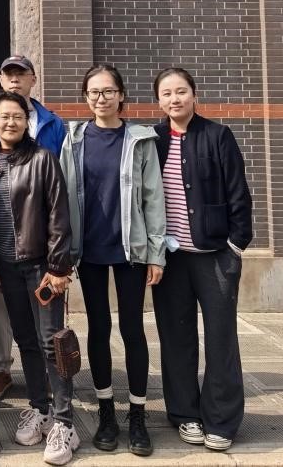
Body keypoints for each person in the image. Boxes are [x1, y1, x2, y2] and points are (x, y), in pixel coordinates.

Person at [59, 63, 166, 458]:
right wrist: (62, 252)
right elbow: (61, 195)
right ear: (86, 97)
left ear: (121, 95)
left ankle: (137, 416)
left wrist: (156, 252)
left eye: (108, 91)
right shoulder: (74, 138)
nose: (101, 98)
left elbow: (153, 198)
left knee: (132, 328)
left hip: (130, 249)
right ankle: (106, 413)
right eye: (93, 92)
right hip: (88, 249)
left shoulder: (140, 139)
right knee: (98, 327)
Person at [151, 67, 252, 452]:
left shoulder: (217, 135)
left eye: (181, 91)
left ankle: (222, 420)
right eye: (166, 93)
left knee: (221, 338)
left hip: (214, 256)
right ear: (158, 101)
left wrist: (236, 245)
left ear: (194, 95)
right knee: (176, 337)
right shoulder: (152, 140)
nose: (174, 99)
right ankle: (184, 414)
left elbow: (238, 193)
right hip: (170, 259)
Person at [0, 90, 79, 466]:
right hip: (6, 268)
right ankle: (40, 409)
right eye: (4, 116)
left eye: (18, 116)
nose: (11, 122)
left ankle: (65, 423)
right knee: (26, 341)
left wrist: (58, 268)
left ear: (27, 122)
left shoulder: (42, 159)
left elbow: (59, 215)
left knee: (52, 344)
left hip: (42, 268)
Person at [0, 55, 65, 401]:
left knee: (50, 333)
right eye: (8, 75)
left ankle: (59, 405)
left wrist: (60, 263)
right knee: (12, 320)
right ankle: (7, 373)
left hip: (42, 251)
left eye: (21, 74)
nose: (14, 80)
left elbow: (58, 207)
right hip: (6, 251)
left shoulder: (50, 132)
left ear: (32, 79)